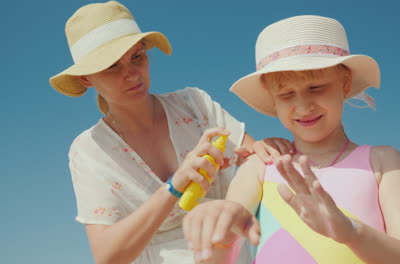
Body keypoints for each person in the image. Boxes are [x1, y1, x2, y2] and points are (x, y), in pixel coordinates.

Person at [49, 1, 293, 263]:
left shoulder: (194, 104)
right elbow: (107, 255)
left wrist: (262, 152)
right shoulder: (89, 150)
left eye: (137, 57)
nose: (131, 73)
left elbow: (254, 161)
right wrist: (174, 187)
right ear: (86, 79)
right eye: (112, 66)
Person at [183, 15, 400, 264]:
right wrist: (215, 226)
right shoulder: (260, 167)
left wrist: (351, 232)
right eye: (286, 94)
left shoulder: (383, 161)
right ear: (273, 99)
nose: (303, 106)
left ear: (345, 84)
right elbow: (220, 253)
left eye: (316, 88)